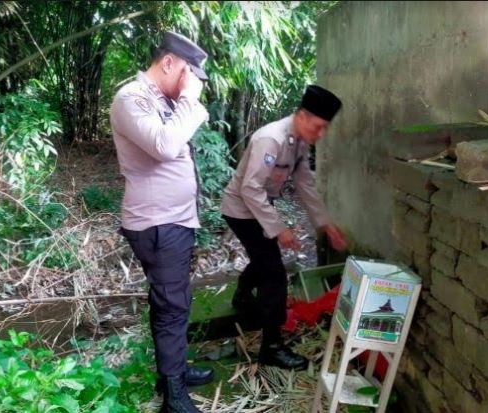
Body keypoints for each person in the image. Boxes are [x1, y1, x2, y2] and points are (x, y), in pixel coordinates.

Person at [110, 31, 213, 413]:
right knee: (172, 306)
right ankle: (174, 398)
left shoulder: (161, 101)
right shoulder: (131, 98)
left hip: (174, 221)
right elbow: (166, 146)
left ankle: (173, 373)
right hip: (158, 223)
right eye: (186, 72)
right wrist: (188, 97)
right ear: (168, 63)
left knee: (172, 302)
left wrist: (182, 97)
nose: (190, 82)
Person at [221, 85, 348, 370]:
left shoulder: (299, 142)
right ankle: (272, 347)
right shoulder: (271, 139)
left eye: (325, 128)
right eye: (319, 126)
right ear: (302, 116)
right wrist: (279, 229)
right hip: (240, 209)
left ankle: (242, 294)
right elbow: (249, 190)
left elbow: (305, 185)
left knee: (265, 258)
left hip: (259, 207)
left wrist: (325, 224)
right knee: (275, 274)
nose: (321, 134)